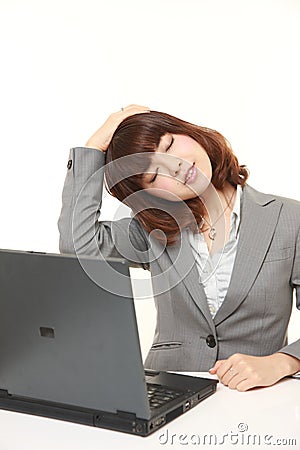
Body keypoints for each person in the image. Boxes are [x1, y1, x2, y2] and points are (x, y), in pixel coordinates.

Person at [58, 104, 300, 391]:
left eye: (170, 144)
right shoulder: (152, 231)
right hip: (166, 392)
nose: (176, 167)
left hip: (256, 397)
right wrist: (95, 147)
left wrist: (282, 362)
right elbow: (78, 243)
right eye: (154, 175)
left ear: (187, 131)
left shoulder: (288, 218)